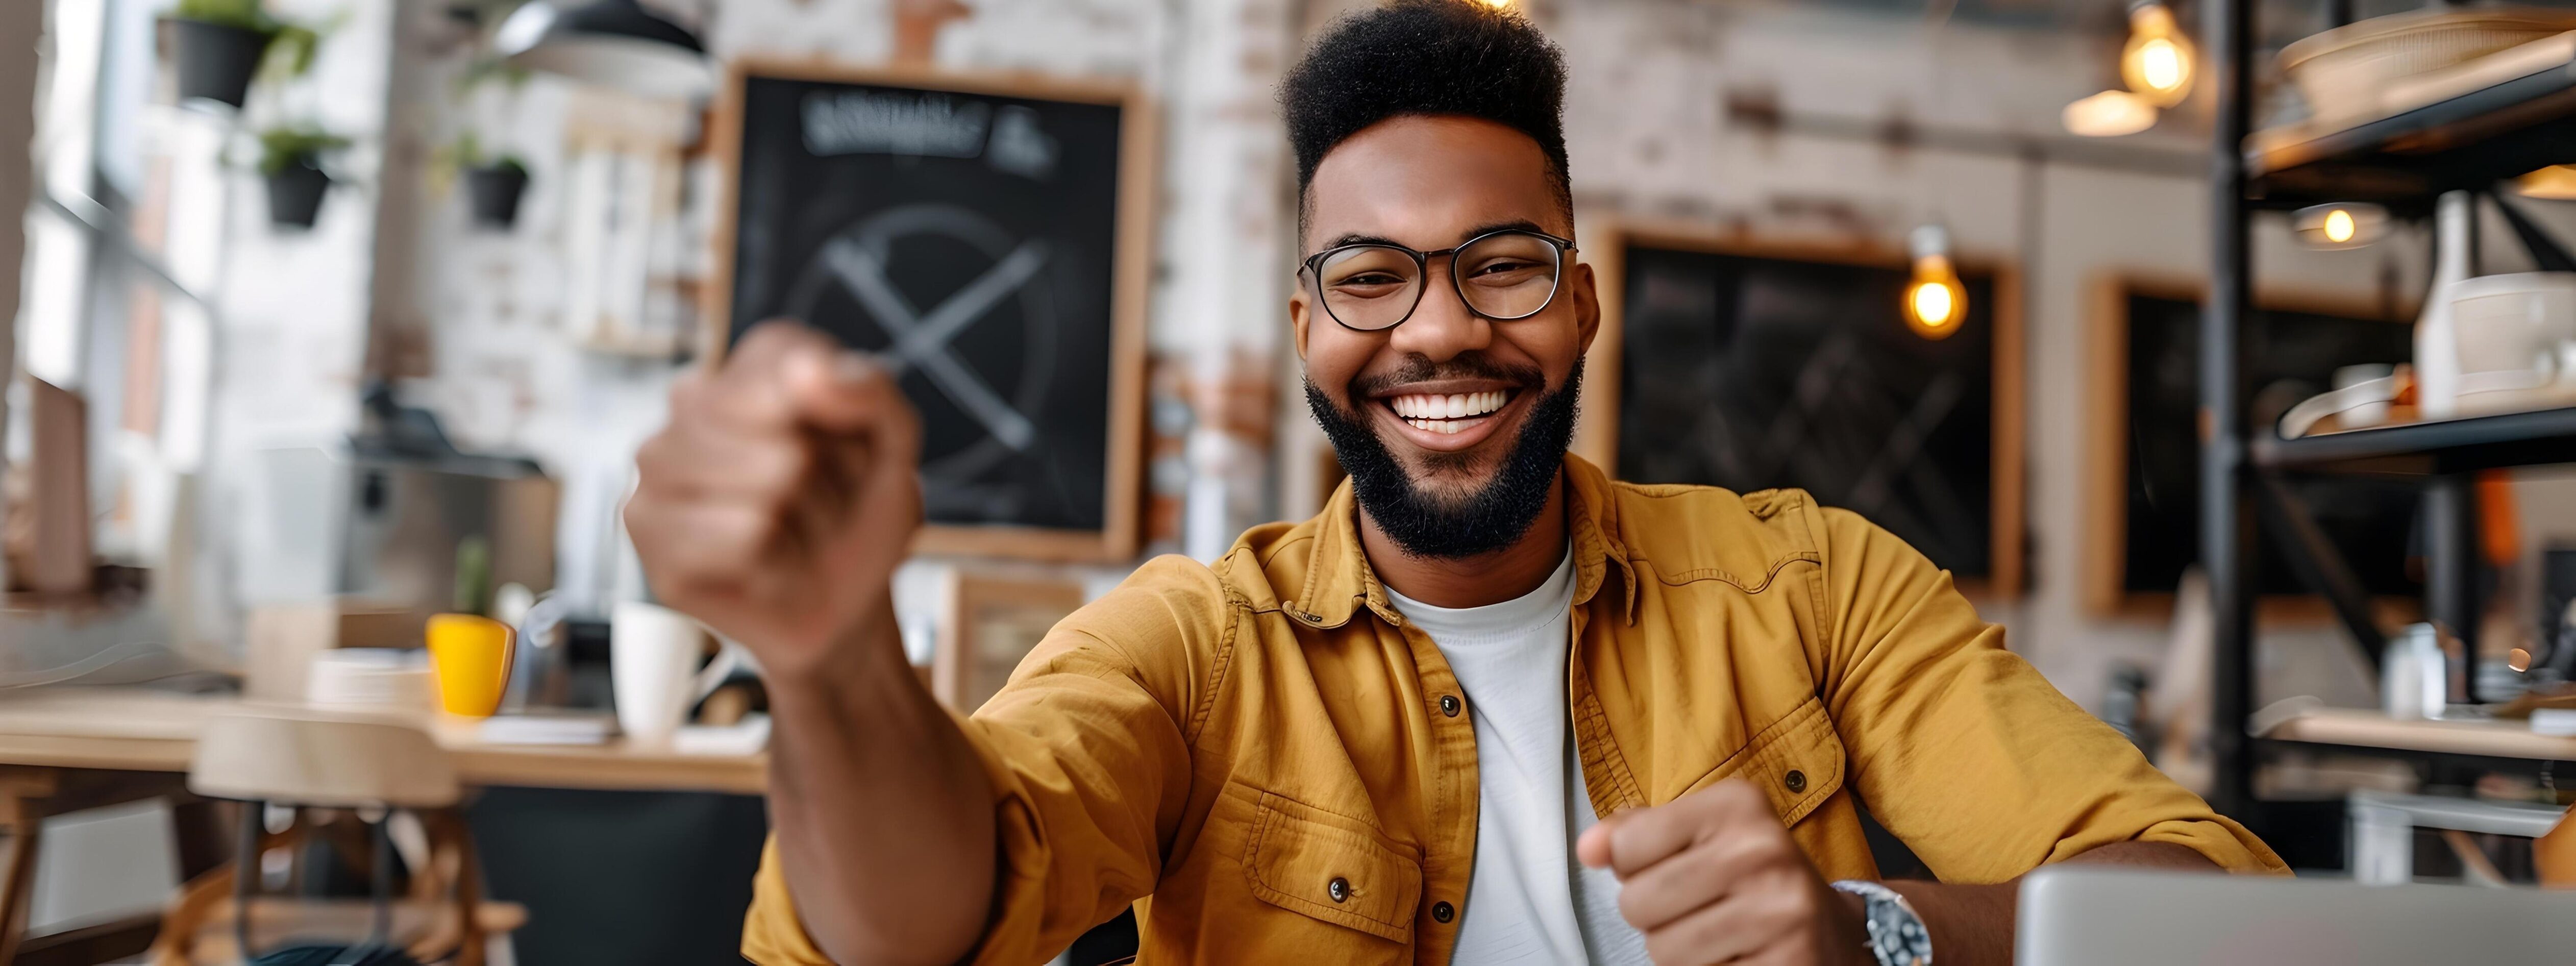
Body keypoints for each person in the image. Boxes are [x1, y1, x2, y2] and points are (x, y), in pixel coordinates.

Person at [625, 3, 2285, 964]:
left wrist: (1882, 934)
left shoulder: (1815, 591)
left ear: (1579, 303)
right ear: (1302, 327)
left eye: (1500, 267)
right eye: (1369, 278)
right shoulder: (1195, 647)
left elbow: (2210, 919)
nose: (1438, 332)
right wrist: (834, 660)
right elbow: (917, 930)